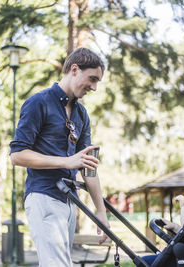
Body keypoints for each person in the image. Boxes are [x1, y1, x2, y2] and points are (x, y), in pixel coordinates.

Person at [9, 47, 109, 267]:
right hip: (43, 196)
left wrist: (101, 213)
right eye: (92, 79)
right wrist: (67, 161)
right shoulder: (39, 102)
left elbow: (88, 168)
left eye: (97, 82)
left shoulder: (82, 114)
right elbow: (17, 155)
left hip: (69, 202)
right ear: (74, 69)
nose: (94, 87)